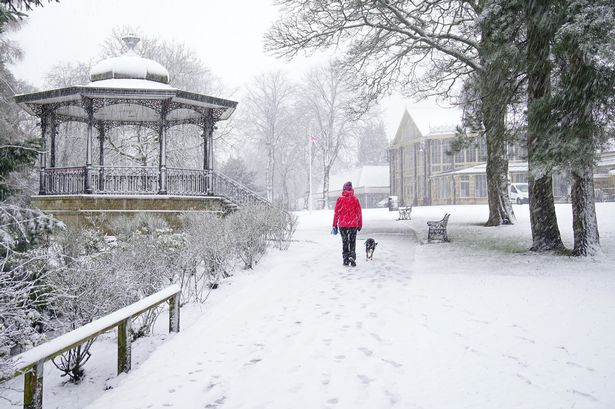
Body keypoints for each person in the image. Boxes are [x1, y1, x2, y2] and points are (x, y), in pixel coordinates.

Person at [331, 181, 363, 267]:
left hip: (343, 224)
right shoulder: (355, 199)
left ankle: (345, 259)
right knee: (352, 241)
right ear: (351, 189)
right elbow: (359, 213)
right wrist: (360, 224)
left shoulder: (340, 199)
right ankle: (352, 255)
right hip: (353, 225)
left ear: (344, 189)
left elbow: (336, 213)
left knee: (345, 242)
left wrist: (334, 224)